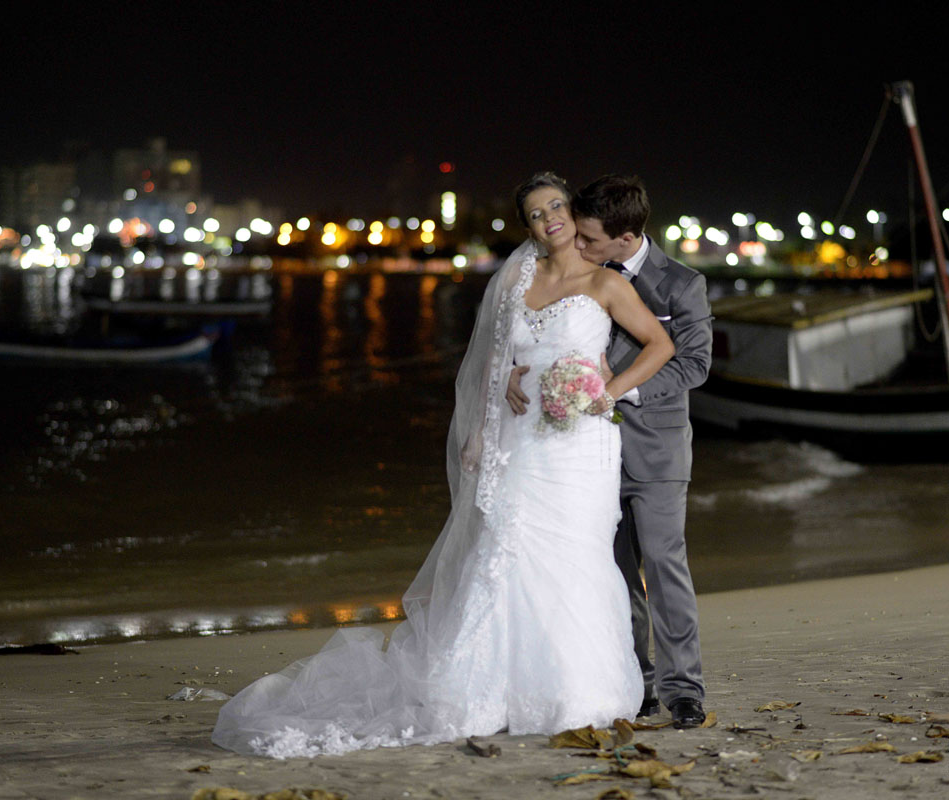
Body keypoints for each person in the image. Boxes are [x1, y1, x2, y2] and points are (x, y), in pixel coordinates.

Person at [211, 172, 674, 758]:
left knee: (575, 555)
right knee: (507, 549)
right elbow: (492, 356)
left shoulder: (606, 283)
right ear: (527, 225)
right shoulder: (517, 280)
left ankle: (576, 689)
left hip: (580, 446)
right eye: (535, 213)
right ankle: (491, 690)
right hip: (521, 439)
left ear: (572, 210)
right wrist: (483, 424)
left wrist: (606, 392)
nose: (548, 218)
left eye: (556, 205)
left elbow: (660, 345)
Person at [507, 175, 712, 729]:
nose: (579, 243)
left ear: (624, 238)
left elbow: (693, 364)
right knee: (613, 573)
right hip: (586, 455)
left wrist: (615, 389)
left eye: (591, 239)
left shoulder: (681, 284)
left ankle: (683, 689)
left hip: (657, 449)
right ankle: (636, 683)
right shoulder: (577, 270)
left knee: (665, 567)